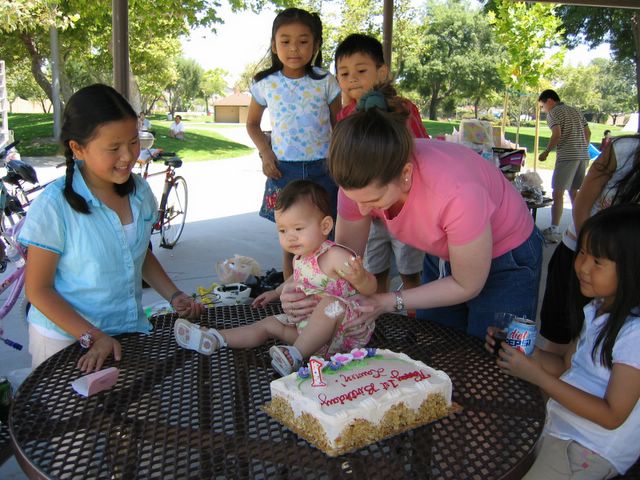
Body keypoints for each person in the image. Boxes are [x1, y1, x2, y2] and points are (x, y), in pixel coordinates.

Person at [280, 87, 542, 339]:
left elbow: (467, 283)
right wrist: (298, 284)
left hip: (506, 256)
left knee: (491, 356)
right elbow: (342, 261)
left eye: (374, 200)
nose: (362, 210)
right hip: (445, 251)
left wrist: (387, 301)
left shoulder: (457, 193)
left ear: (405, 175)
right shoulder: (359, 181)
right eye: (354, 199)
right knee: (435, 341)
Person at [18, 84, 202, 372]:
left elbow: (137, 255)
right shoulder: (54, 205)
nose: (128, 156)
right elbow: (38, 289)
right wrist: (92, 335)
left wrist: (174, 295)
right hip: (64, 341)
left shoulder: (140, 192)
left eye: (133, 142)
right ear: (78, 149)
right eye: (114, 148)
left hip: (124, 331)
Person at [487, 204, 640, 479]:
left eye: (597, 261)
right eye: (582, 252)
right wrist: (524, 353)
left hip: (589, 448)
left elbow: (612, 415)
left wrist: (537, 376)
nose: (582, 266)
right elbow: (565, 365)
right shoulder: (597, 309)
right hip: (561, 426)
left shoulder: (634, 333)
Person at [174, 180, 377, 376]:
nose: (290, 236)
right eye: (282, 230)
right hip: (309, 334)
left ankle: (295, 356)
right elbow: (297, 278)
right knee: (268, 324)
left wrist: (361, 279)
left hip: (343, 331)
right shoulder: (301, 258)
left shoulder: (335, 256)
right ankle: (215, 337)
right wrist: (275, 292)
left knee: (330, 304)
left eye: (298, 228)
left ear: (325, 226)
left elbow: (371, 289)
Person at [245, 7, 342, 280]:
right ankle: (292, 288)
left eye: (303, 41)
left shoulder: (326, 81)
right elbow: (252, 124)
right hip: (283, 170)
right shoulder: (265, 83)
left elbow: (340, 125)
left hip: (324, 169)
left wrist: (339, 162)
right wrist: (266, 153)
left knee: (327, 231)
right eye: (285, 41)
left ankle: (329, 286)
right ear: (274, 44)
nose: (294, 48)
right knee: (291, 237)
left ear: (315, 45)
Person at [335, 33, 428, 294]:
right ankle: (380, 313)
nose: (352, 78)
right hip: (369, 214)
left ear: (382, 72)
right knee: (374, 270)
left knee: (410, 271)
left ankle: (414, 316)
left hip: (404, 208)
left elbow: (422, 150)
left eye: (361, 70)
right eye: (344, 73)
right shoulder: (345, 116)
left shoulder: (402, 109)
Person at [538, 135, 640, 354]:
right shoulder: (625, 150)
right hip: (577, 250)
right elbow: (581, 206)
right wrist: (592, 258)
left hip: (625, 273)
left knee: (604, 349)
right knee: (563, 336)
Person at [538, 89, 591, 244]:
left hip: (567, 157)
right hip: (583, 156)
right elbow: (588, 133)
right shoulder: (576, 111)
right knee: (574, 192)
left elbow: (557, 134)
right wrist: (582, 148)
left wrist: (546, 152)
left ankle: (554, 230)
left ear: (549, 101)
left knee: (558, 192)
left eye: (542, 106)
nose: (543, 110)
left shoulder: (553, 113)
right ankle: (581, 228)